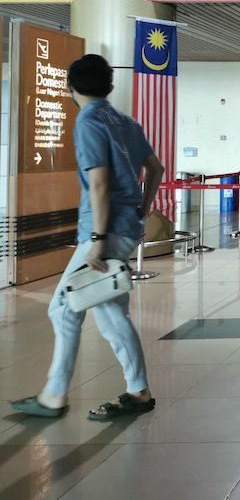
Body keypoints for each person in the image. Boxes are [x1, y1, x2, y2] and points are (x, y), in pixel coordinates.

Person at [11, 54, 163, 420]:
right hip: (125, 226)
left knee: (64, 307)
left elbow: (99, 184)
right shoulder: (127, 121)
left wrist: (96, 238)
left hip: (104, 230)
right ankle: (136, 390)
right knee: (109, 313)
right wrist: (143, 208)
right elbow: (155, 168)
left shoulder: (88, 121)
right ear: (109, 86)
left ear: (71, 88)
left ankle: (55, 396)